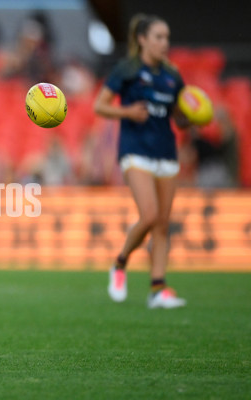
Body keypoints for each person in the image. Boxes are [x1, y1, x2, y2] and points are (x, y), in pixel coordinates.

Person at [93, 14, 190, 309]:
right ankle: (120, 263)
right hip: (135, 151)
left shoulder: (173, 76)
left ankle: (157, 289)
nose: (165, 43)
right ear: (142, 39)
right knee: (149, 215)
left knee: (162, 224)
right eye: (159, 37)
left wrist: (195, 115)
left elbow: (180, 118)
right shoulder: (128, 70)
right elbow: (100, 106)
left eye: (167, 38)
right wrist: (128, 113)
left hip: (166, 152)